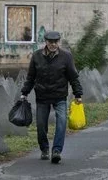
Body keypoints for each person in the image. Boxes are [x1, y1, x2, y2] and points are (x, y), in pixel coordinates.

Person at [20, 31, 83, 164]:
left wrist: (78, 94)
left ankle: (56, 151)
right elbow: (31, 77)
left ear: (58, 42)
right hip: (42, 96)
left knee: (61, 123)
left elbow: (73, 76)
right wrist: (24, 92)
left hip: (59, 96)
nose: (53, 44)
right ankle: (44, 149)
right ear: (46, 42)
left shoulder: (66, 56)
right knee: (41, 126)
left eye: (56, 42)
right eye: (50, 42)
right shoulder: (37, 56)